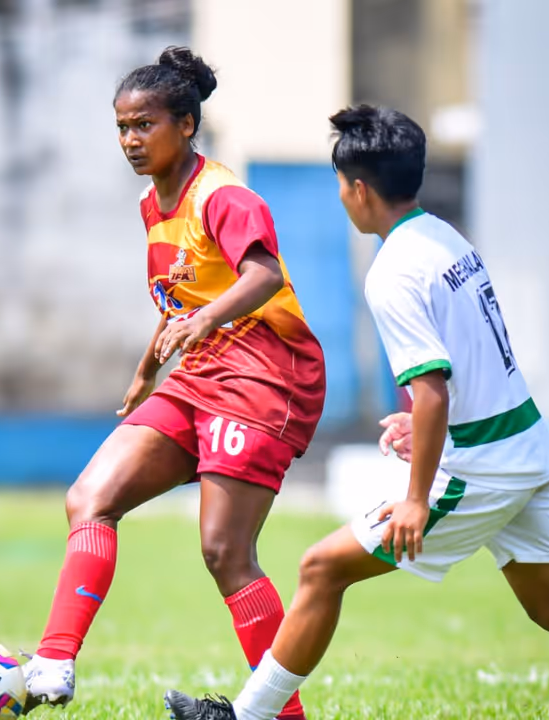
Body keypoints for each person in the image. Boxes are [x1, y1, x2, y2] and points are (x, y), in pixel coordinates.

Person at [161, 104, 549, 720]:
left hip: (480, 466)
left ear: (359, 189)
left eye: (341, 183)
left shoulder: (391, 271)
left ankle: (249, 717)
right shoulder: (446, 237)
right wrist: (419, 424)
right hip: (526, 442)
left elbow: (436, 390)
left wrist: (417, 498)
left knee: (320, 568)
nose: (340, 195)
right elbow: (471, 363)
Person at [21, 47, 325, 720]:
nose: (131, 140)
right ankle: (54, 661)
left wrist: (205, 322)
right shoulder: (152, 205)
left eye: (145, 125)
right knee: (89, 497)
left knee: (224, 552)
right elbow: (180, 300)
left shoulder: (225, 196)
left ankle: (286, 715)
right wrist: (145, 370)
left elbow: (264, 276)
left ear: (186, 125)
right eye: (123, 127)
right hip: (200, 376)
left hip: (265, 375)